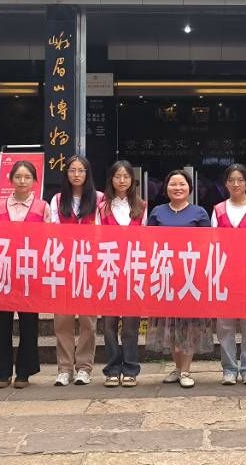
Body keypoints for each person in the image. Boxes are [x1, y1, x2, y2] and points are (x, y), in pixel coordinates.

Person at [145, 169, 212, 388]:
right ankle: (176, 366)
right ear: (166, 188)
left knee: (189, 324)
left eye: (182, 184)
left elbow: (207, 244)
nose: (177, 188)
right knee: (170, 324)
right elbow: (148, 242)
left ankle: (186, 370)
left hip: (190, 275)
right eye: (173, 184)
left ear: (189, 188)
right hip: (165, 275)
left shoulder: (199, 213)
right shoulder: (157, 212)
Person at [0, 160, 49, 389]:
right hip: (2, 272)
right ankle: (2, 372)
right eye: (18, 177)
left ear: (34, 181)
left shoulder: (43, 207)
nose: (22, 181)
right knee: (0, 323)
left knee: (29, 323)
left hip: (30, 274)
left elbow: (50, 239)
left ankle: (24, 371)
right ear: (10, 179)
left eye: (27, 177)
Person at [212, 164, 246, 386]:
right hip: (225, 273)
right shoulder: (218, 210)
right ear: (226, 184)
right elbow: (213, 243)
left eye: (240, 180)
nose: (235, 184)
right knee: (224, 325)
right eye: (231, 180)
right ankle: (228, 368)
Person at [49, 154, 102, 387]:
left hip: (90, 266)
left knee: (88, 321)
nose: (77, 174)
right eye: (72, 170)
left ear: (88, 174)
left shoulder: (100, 199)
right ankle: (64, 368)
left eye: (81, 170)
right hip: (63, 266)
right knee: (62, 320)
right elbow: (52, 231)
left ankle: (84, 367)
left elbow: (103, 231)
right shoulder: (57, 199)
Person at [99, 160, 147, 388]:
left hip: (133, 271)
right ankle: (112, 368)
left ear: (132, 180)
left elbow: (146, 240)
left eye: (126, 176)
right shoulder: (102, 207)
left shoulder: (141, 206)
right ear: (111, 179)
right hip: (108, 270)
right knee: (109, 324)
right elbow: (96, 238)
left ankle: (130, 368)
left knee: (130, 325)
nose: (122, 180)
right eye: (117, 176)